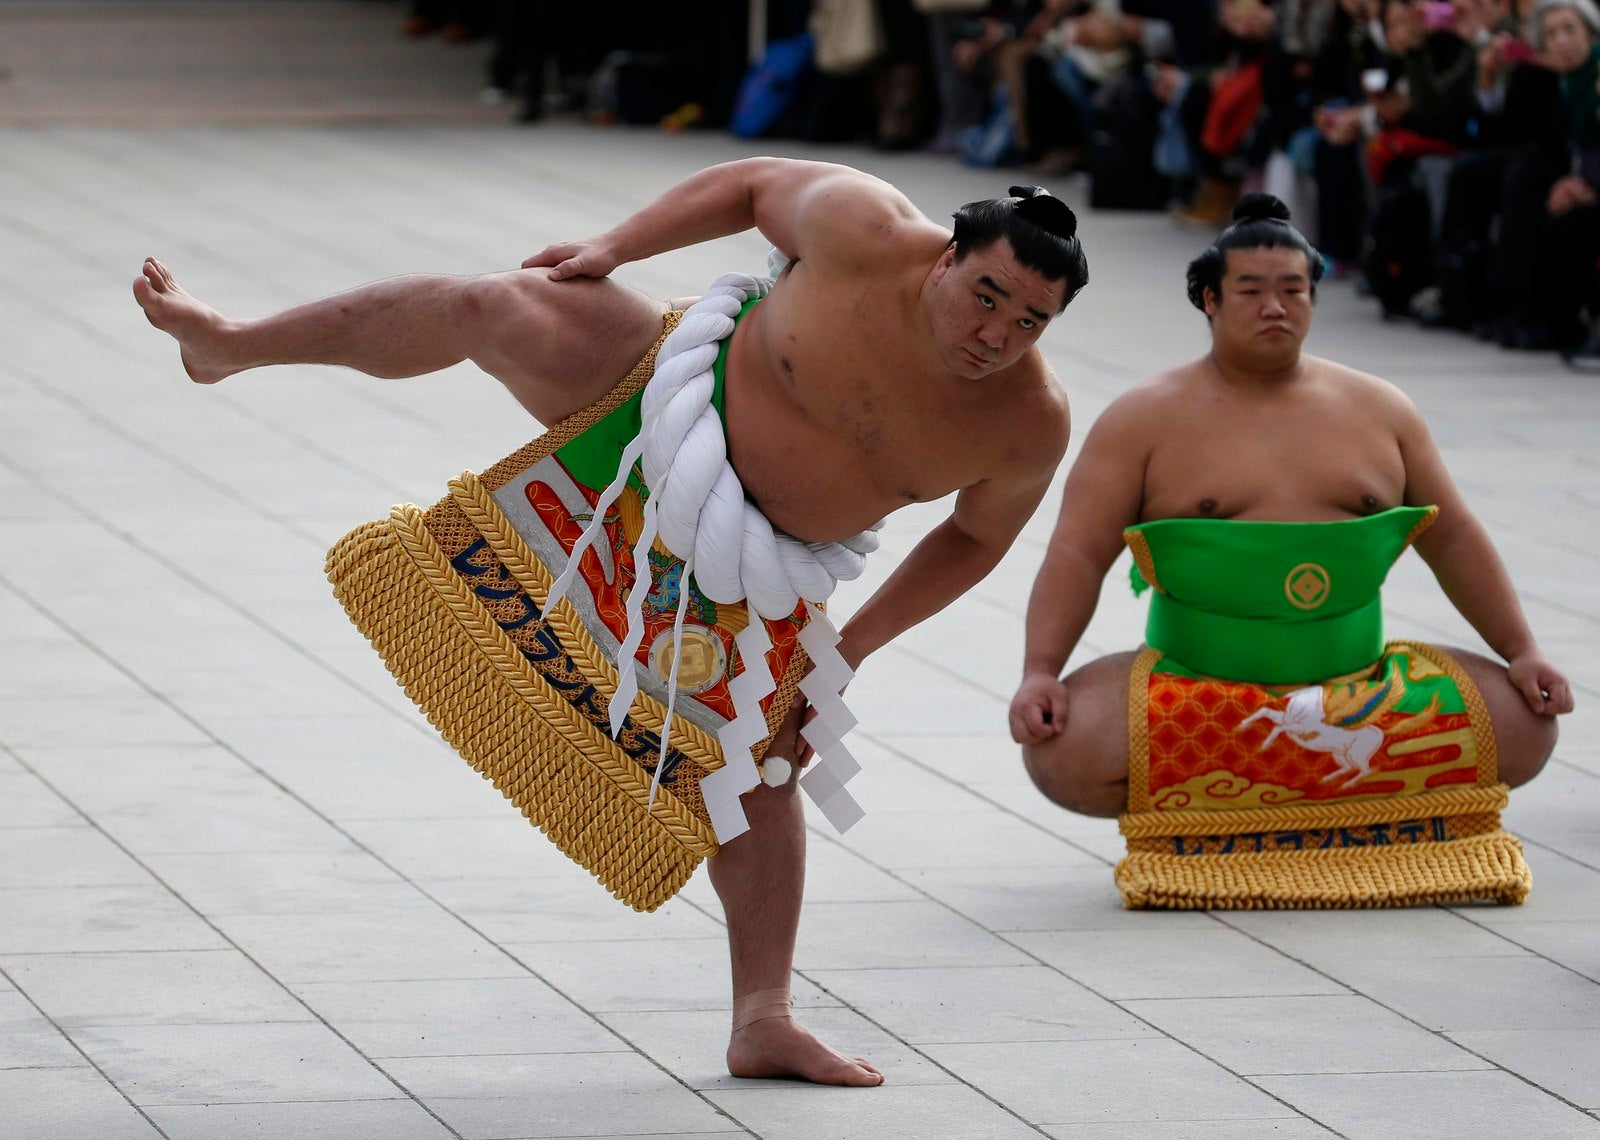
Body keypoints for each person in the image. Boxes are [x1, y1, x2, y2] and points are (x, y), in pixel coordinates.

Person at [133, 157, 1089, 1087]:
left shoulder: (1027, 422)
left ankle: (764, 1019)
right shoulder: (861, 224)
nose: (995, 332)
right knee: (493, 304)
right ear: (946, 257)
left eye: (1028, 320)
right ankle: (232, 344)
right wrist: (615, 244)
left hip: (758, 580)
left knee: (761, 776)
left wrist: (847, 650)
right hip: (661, 407)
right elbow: (749, 187)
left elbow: (975, 538)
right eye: (988, 294)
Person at [1010, 192, 1570, 828]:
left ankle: (1272, 797)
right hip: (1201, 689)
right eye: (1250, 290)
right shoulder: (1141, 419)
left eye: (1293, 290)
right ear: (1210, 300)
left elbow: (1455, 538)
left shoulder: (1383, 410)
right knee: (1065, 751)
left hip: (1361, 691)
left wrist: (1522, 650)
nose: (1275, 307)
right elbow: (1079, 553)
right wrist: (1040, 672)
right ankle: (1327, 797)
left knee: (1526, 727)